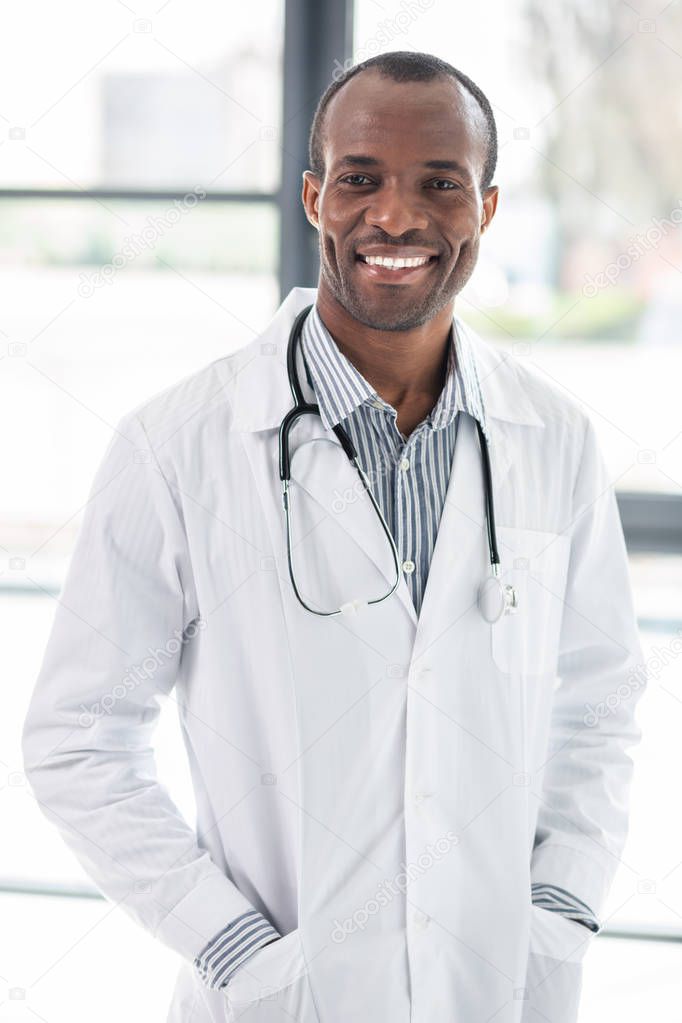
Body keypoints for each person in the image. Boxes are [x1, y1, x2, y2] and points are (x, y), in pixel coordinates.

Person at [22, 51, 646, 1023]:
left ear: (484, 208)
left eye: (438, 183)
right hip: (285, 996)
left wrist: (556, 912)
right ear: (314, 197)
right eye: (361, 179)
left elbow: (598, 701)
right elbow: (78, 737)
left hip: (497, 989)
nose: (395, 217)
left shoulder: (550, 439)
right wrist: (237, 947)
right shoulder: (180, 443)